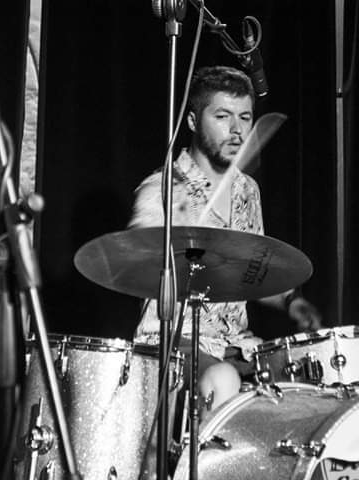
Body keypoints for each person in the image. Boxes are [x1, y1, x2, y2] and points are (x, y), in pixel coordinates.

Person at [128, 65, 321, 411]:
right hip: (173, 343)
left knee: (309, 381)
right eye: (222, 116)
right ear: (192, 121)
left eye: (245, 118)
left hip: (238, 346)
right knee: (223, 378)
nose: (236, 130)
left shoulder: (247, 190)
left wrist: (291, 301)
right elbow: (138, 268)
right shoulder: (161, 190)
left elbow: (252, 271)